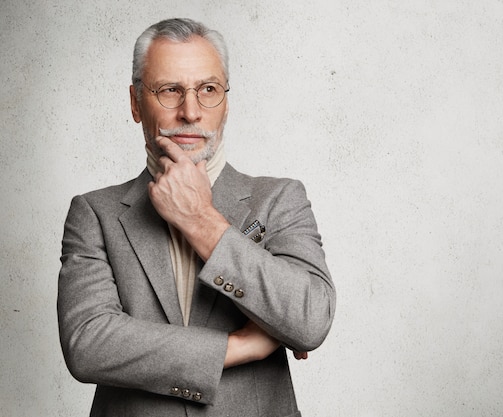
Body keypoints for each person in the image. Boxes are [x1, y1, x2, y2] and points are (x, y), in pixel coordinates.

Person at [57, 17, 335, 417]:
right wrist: (237, 347)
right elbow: (88, 344)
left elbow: (310, 321)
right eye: (170, 90)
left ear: (225, 102)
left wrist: (200, 219)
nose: (191, 111)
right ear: (136, 103)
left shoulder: (279, 199)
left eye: (208, 89)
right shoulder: (94, 213)